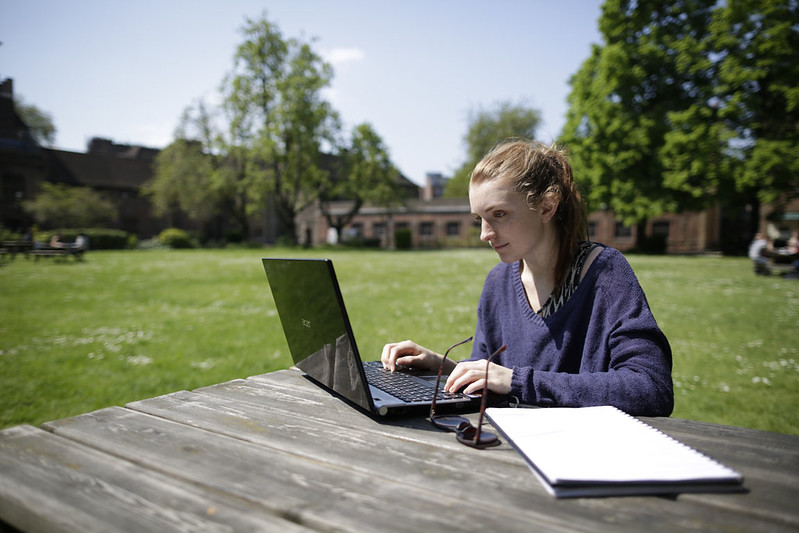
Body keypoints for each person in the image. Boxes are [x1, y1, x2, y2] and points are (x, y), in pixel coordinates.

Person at [381, 139, 674, 416]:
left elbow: (651, 387)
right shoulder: (498, 283)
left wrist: (519, 382)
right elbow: (492, 373)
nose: (485, 234)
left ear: (547, 206)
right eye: (479, 219)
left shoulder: (605, 273)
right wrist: (442, 366)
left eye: (500, 214)